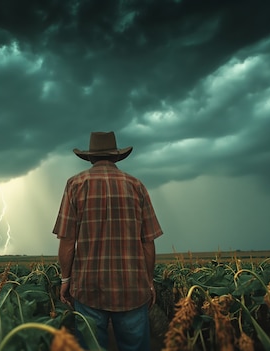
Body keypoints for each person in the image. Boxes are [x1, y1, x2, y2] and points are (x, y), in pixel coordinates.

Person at [53, 131, 163, 351]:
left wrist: (66, 280)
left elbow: (67, 241)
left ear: (90, 157)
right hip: (133, 289)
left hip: (88, 289)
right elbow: (148, 242)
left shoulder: (74, 184)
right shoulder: (137, 186)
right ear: (116, 157)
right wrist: (149, 282)